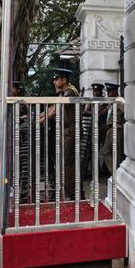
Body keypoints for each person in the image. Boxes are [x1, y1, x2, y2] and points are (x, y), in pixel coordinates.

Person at [39, 68, 80, 199]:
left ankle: (72, 194)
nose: (54, 82)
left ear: (64, 80)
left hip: (70, 131)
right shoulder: (63, 92)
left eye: (56, 79)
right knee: (64, 162)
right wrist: (39, 117)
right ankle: (68, 191)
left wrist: (42, 119)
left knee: (67, 163)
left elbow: (58, 108)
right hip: (65, 131)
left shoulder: (70, 91)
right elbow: (52, 107)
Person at [101, 82, 125, 173]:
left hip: (116, 129)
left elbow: (127, 113)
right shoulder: (112, 101)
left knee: (117, 154)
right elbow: (103, 111)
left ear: (115, 91)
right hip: (109, 129)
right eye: (107, 91)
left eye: (110, 91)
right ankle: (114, 174)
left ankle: (117, 176)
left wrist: (123, 125)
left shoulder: (119, 101)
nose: (108, 94)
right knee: (105, 152)